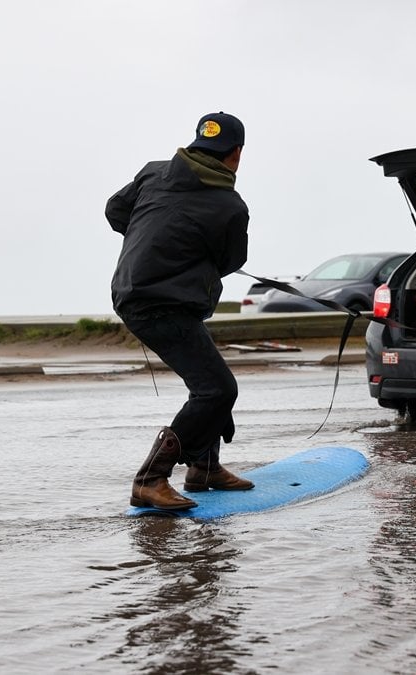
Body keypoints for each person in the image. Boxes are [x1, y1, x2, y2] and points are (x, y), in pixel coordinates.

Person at [106, 111, 255, 511]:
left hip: (140, 292)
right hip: (158, 304)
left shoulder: (154, 173)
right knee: (217, 389)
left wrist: (154, 238)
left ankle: (204, 468)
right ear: (236, 153)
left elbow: (115, 210)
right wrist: (173, 248)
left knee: (208, 381)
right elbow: (231, 260)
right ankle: (150, 479)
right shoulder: (229, 206)